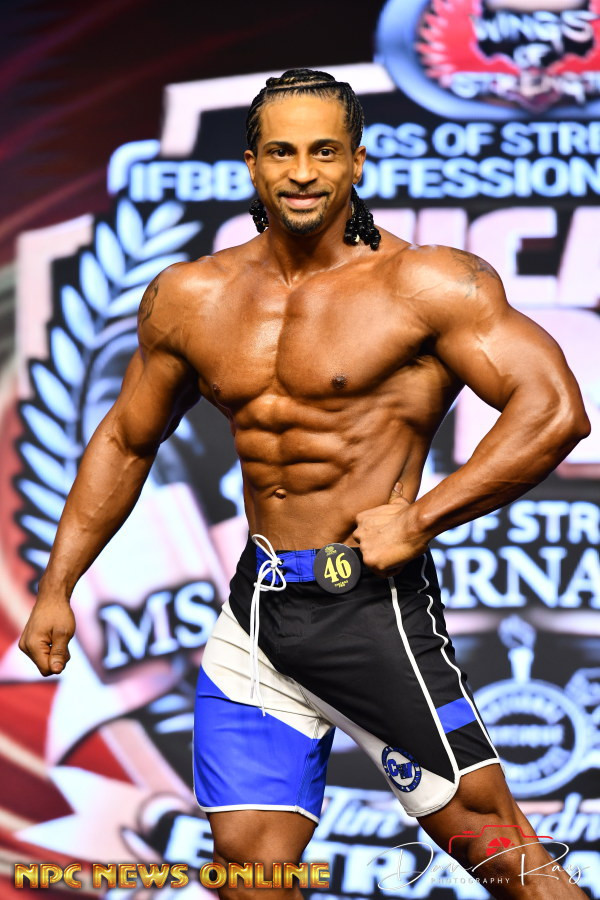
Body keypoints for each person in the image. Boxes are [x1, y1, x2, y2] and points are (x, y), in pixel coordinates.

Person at [19, 68, 590, 898]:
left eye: (324, 152)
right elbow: (124, 440)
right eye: (282, 152)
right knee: (250, 875)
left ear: (357, 161)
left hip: (369, 611)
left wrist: (421, 518)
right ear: (251, 163)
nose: (302, 172)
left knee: (505, 857)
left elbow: (554, 411)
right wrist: (56, 587)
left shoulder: (425, 285)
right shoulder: (191, 296)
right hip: (256, 616)